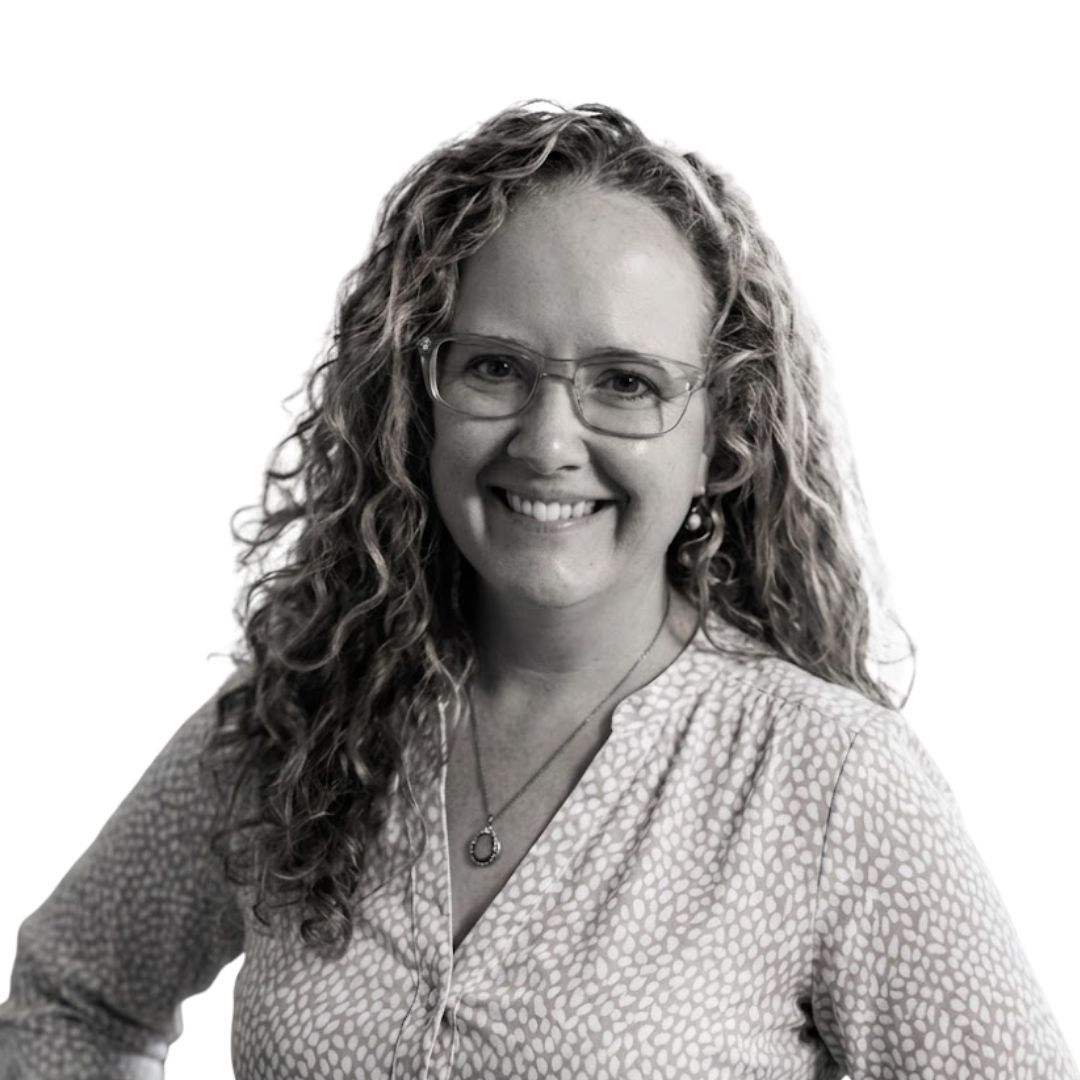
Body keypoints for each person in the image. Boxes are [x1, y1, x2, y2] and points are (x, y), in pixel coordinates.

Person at [1, 102, 1075, 1080]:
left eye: (626, 383)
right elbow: (69, 1003)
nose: (549, 441)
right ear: (414, 398)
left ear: (722, 435)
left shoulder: (828, 784)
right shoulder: (293, 728)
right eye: (496, 368)